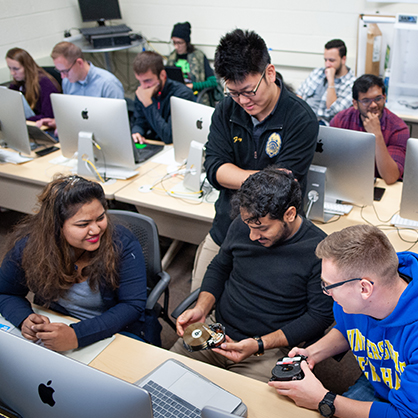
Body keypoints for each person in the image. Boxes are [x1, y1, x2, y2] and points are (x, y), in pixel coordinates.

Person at [171, 168, 334, 382]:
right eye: (249, 225)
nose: (252, 235)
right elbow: (220, 267)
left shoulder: (319, 251)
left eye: (262, 229)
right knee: (165, 377)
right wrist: (201, 308)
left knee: (245, 408)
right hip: (216, 329)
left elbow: (318, 317)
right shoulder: (246, 222)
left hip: (269, 349)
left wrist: (259, 344)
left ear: (290, 214)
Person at [190, 28, 318, 292]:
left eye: (249, 91)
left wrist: (236, 174)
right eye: (234, 93)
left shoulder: (300, 118)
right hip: (226, 226)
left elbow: (282, 186)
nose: (243, 101)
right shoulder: (226, 110)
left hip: (275, 235)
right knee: (197, 304)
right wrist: (263, 179)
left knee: (257, 313)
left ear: (269, 73)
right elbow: (214, 169)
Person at [269, 224, 418, 418]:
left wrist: (323, 399)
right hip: (382, 379)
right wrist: (312, 353)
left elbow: (405, 415)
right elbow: (349, 329)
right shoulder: (354, 301)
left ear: (364, 288)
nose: (326, 292)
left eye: (329, 285)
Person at [0, 175, 161, 351]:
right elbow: (6, 293)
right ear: (56, 226)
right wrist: (24, 318)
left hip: (115, 330)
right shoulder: (29, 246)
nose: (96, 229)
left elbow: (131, 306)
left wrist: (77, 335)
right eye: (83, 224)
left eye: (100, 218)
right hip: (60, 323)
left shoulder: (122, 242)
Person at [330, 74, 409, 185]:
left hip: (381, 187)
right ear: (355, 104)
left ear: (384, 98)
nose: (373, 105)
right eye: (366, 101)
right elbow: (329, 162)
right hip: (346, 181)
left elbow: (390, 177)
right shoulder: (340, 120)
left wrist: (377, 135)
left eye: (378, 99)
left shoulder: (398, 128)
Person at [36, 42, 124, 130]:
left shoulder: (108, 84)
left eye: (65, 71)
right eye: (60, 72)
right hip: (78, 133)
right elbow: (73, 115)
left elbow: (117, 123)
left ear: (79, 63)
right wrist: (58, 122)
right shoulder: (67, 82)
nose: (63, 76)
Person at [131, 50, 195, 144]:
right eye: (140, 81)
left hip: (173, 148)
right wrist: (137, 132)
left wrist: (148, 104)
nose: (144, 86)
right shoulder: (143, 90)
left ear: (162, 75)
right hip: (153, 145)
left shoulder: (182, 94)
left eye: (148, 80)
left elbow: (168, 136)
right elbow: (140, 121)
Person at [296, 39, 355, 124]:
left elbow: (334, 111)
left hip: (324, 125)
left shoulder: (351, 83)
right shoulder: (317, 72)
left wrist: (331, 81)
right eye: (325, 60)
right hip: (303, 119)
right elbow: (299, 95)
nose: (327, 64)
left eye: (331, 60)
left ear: (343, 59)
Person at [166, 22, 218, 105]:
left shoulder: (198, 57)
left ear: (186, 42)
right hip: (176, 96)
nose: (176, 46)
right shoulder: (172, 58)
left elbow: (213, 82)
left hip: (195, 96)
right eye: (174, 42)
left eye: (179, 43)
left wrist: (193, 86)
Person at [6, 47, 61, 122]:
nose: (12, 73)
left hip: (44, 126)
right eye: (10, 68)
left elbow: (48, 116)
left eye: (16, 69)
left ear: (27, 67)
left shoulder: (45, 84)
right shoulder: (18, 83)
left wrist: (22, 120)